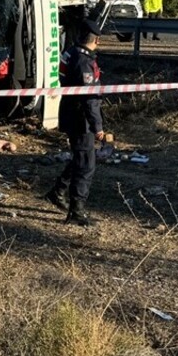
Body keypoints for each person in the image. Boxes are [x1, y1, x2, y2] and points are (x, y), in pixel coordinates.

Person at [42, 18, 108, 226]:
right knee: (87, 163)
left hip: (71, 113)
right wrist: (98, 127)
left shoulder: (71, 52)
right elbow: (89, 98)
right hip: (81, 119)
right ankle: (76, 210)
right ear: (96, 39)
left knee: (80, 157)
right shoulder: (83, 61)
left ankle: (58, 192)